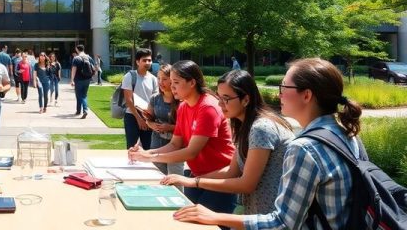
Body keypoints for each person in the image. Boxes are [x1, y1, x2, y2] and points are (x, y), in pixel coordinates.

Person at [170, 58, 365, 229]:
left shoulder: (303, 147)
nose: (279, 94)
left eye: (283, 87)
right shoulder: (348, 135)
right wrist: (194, 180)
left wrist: (215, 217)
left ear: (306, 95)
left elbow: (283, 224)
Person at [160, 70, 294, 215]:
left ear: (246, 100)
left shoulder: (261, 128)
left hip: (274, 216)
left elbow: (246, 184)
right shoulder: (244, 126)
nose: (220, 104)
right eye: (219, 97)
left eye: (226, 99)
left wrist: (194, 182)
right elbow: (232, 171)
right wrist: (192, 179)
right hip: (257, 212)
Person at [128, 60, 237, 219]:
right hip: (196, 176)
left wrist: (150, 157)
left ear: (192, 82)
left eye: (176, 82)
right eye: (170, 82)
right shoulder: (184, 106)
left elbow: (191, 152)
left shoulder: (208, 107)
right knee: (187, 221)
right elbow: (175, 143)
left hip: (218, 178)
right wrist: (146, 152)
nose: (171, 87)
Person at [142, 64, 184, 177]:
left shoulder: (182, 100)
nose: (160, 82)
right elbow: (149, 120)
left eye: (164, 79)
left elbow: (187, 127)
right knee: (157, 175)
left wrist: (170, 127)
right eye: (158, 78)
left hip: (177, 143)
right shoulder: (155, 98)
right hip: (157, 141)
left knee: (175, 175)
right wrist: (151, 124)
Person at [121, 48, 158, 150]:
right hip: (132, 116)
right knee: (132, 147)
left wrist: (147, 119)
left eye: (149, 60)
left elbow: (155, 100)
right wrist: (139, 119)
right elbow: (128, 100)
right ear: (138, 62)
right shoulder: (130, 76)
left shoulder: (154, 79)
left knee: (148, 147)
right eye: (144, 60)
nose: (147, 62)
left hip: (148, 116)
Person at [70, 44, 95, 119]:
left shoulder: (76, 58)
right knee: (84, 95)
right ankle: (78, 110)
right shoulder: (89, 57)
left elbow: (73, 69)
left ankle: (85, 110)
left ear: (77, 49)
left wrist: (72, 80)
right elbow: (94, 68)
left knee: (80, 95)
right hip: (87, 79)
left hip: (78, 79)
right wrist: (91, 76)